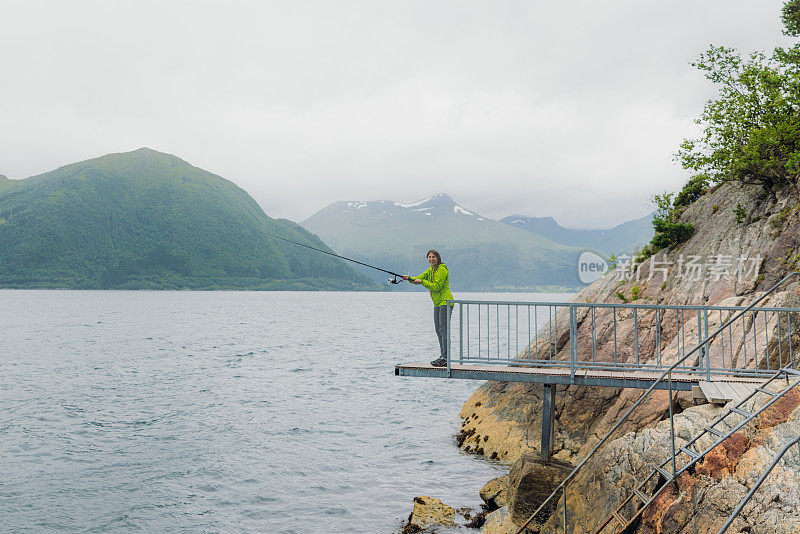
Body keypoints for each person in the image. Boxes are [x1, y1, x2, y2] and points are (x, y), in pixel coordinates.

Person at [403, 249, 454, 367]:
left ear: (438, 258)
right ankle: (442, 357)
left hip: (445, 302)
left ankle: (446, 358)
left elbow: (436, 286)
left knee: (444, 330)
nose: (431, 259)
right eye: (429, 257)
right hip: (437, 303)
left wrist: (422, 282)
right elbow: (418, 278)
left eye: (433, 257)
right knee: (438, 330)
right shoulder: (430, 270)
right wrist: (408, 278)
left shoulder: (442, 270)